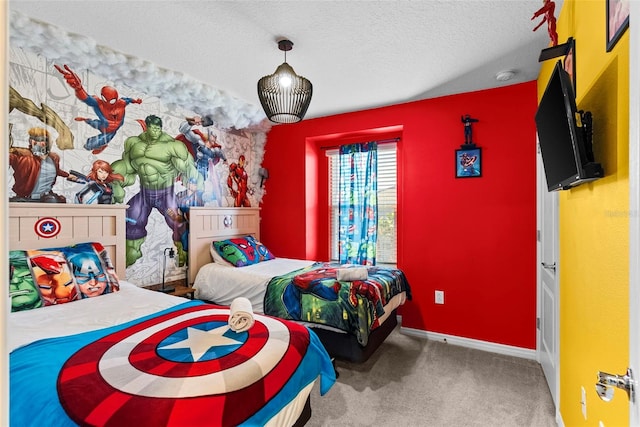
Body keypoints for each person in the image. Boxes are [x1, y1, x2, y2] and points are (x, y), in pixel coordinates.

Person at [110, 114, 203, 266]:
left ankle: (184, 252)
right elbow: (126, 166)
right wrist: (115, 181)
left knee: (177, 222)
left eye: (158, 128)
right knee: (131, 219)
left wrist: (194, 184)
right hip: (145, 194)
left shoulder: (172, 146)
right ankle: (128, 258)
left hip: (165, 195)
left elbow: (188, 166)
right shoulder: (133, 144)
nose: (155, 131)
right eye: (152, 128)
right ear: (147, 127)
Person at [55, 64, 142, 154]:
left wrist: (136, 101)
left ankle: (102, 143)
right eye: (106, 100)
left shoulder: (122, 103)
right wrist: (79, 88)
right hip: (103, 125)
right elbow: (86, 98)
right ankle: (87, 122)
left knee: (92, 142)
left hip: (111, 130)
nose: (109, 104)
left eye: (112, 101)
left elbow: (129, 100)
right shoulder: (99, 103)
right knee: (89, 143)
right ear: (102, 97)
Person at [9, 127, 73, 203]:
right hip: (26, 198)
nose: (39, 143)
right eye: (36, 139)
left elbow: (56, 170)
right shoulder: (23, 156)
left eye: (43, 140)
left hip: (47, 198)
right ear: (31, 141)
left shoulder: (53, 158)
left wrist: (68, 175)